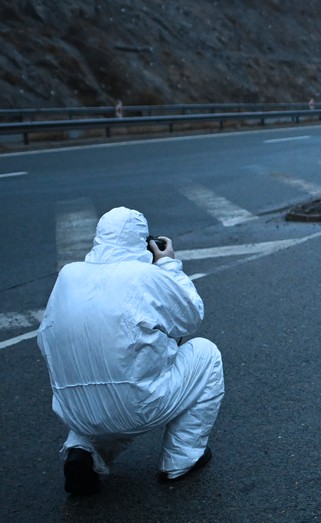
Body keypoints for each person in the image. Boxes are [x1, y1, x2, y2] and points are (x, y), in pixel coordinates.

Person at [37, 207, 225, 495]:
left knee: (96, 383)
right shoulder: (145, 275)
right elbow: (191, 315)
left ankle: (81, 450)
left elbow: (45, 339)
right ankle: (182, 459)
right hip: (135, 407)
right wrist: (167, 265)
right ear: (142, 242)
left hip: (74, 411)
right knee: (206, 354)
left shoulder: (67, 276)